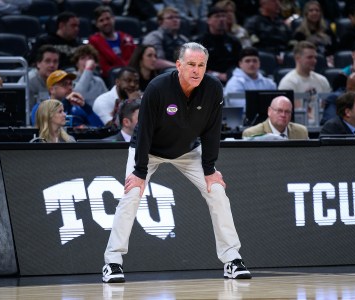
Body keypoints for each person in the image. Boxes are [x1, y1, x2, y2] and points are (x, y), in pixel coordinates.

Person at [101, 42, 252, 283]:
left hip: (187, 151)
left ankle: (232, 259)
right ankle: (112, 262)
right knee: (131, 195)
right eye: (191, 64)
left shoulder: (213, 88)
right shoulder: (158, 87)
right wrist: (139, 171)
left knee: (217, 191)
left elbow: (212, 132)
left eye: (201, 65)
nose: (196, 70)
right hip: (148, 150)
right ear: (179, 65)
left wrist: (210, 168)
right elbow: (145, 130)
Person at [278, 41, 331, 125]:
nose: (314, 61)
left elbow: (328, 107)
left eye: (315, 57)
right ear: (297, 58)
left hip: (322, 126)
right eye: (310, 57)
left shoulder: (322, 80)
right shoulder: (288, 82)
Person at [31, 70, 103, 127]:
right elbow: (43, 131)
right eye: (64, 84)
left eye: (71, 84)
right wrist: (64, 103)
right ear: (52, 90)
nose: (70, 88)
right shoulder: (40, 108)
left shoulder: (77, 108)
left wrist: (85, 107)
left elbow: (100, 128)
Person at [195, 7, 242, 84]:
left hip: (232, 78)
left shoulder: (233, 41)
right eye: (217, 16)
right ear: (208, 21)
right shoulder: (199, 42)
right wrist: (217, 75)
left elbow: (239, 62)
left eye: (223, 16)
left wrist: (231, 74)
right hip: (206, 79)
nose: (221, 19)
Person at [88, 5, 137, 79]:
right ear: (96, 24)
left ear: (113, 19)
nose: (105, 22)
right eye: (101, 20)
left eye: (108, 18)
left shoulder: (127, 38)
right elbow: (102, 67)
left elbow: (136, 59)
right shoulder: (94, 42)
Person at [242, 95, 308, 139]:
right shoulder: (251, 134)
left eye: (287, 112)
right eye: (279, 111)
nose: (283, 115)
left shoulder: (301, 132)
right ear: (269, 111)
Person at [19, 45, 60, 109]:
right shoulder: (28, 81)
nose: (52, 65)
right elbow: (23, 110)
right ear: (38, 63)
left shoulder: (60, 80)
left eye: (55, 62)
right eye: (47, 61)